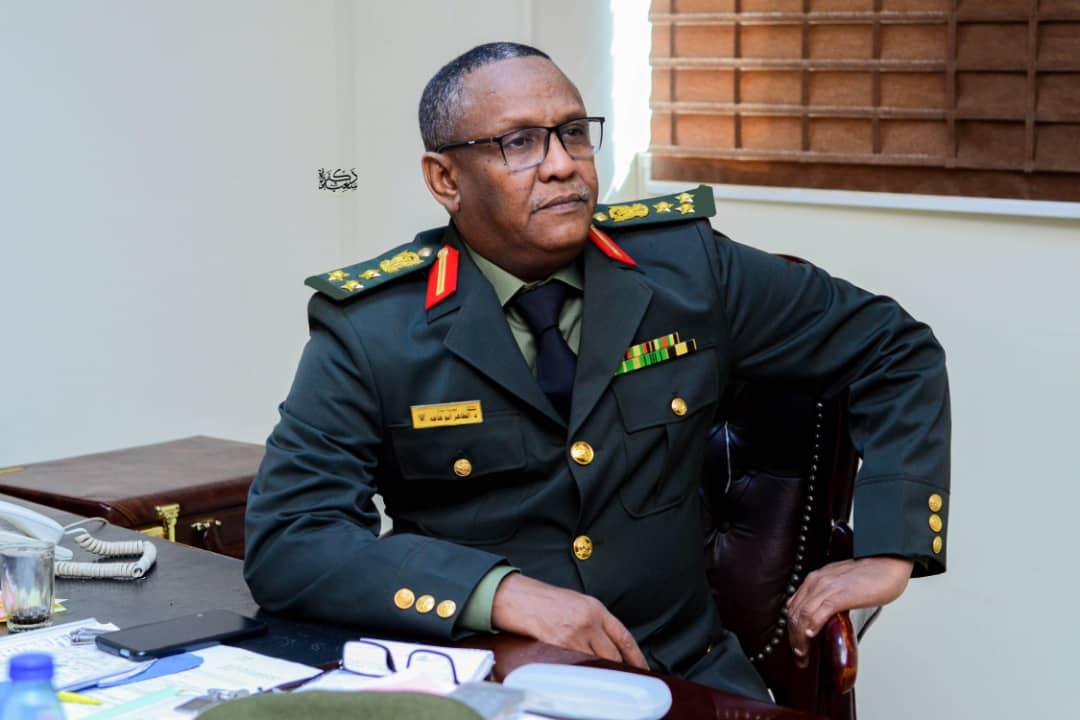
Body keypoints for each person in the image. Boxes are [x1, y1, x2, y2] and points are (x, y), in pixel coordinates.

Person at [244, 42, 950, 701]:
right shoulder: (373, 329)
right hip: (485, 684)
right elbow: (291, 539)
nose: (562, 165)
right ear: (445, 179)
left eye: (574, 133)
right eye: (520, 142)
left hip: (681, 675)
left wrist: (892, 547)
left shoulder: (688, 270)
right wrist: (498, 591)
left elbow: (893, 347)